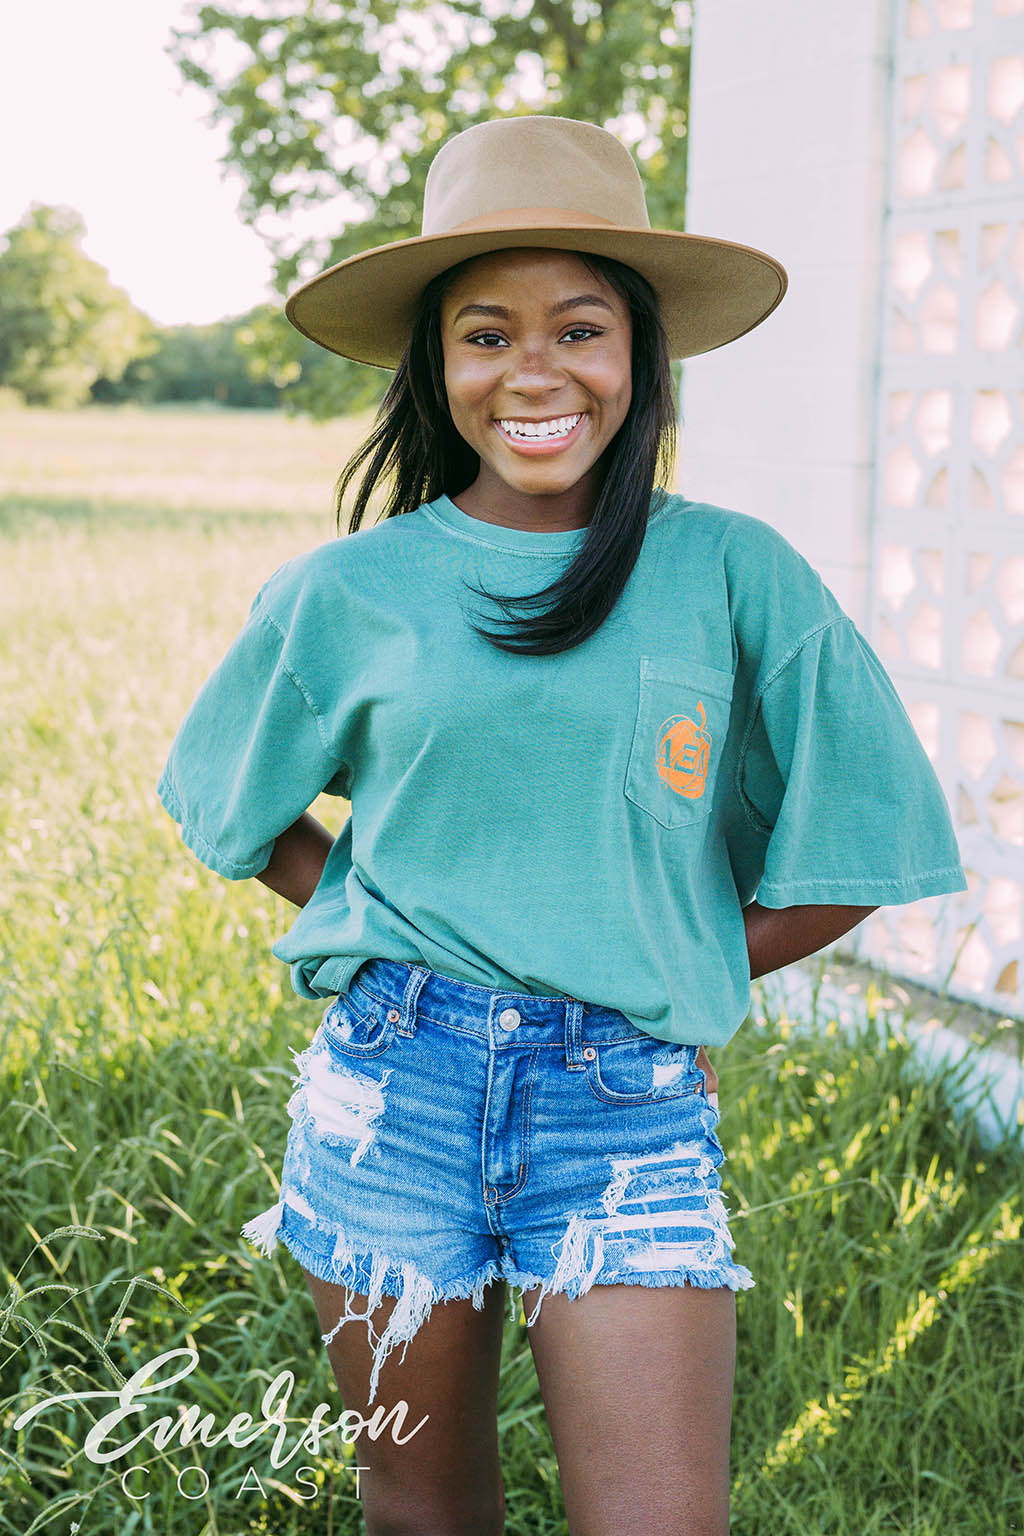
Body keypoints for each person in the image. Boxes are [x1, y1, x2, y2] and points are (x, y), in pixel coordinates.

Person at [157, 116, 968, 1536]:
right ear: (438, 366)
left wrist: (679, 971)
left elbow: (861, 842)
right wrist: (376, 909)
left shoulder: (733, 573)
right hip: (387, 1094)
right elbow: (235, 804)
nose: (533, 370)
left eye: (579, 328)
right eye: (485, 334)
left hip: (626, 1108)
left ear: (640, 358)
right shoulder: (349, 593)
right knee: (422, 1507)